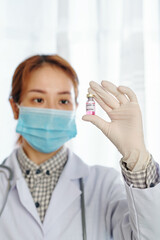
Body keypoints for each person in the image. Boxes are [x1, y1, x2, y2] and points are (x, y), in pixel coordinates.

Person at [0, 54, 159, 240]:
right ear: (15, 107)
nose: (52, 112)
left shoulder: (105, 185)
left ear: (75, 107)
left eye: (63, 101)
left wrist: (137, 155)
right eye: (38, 100)